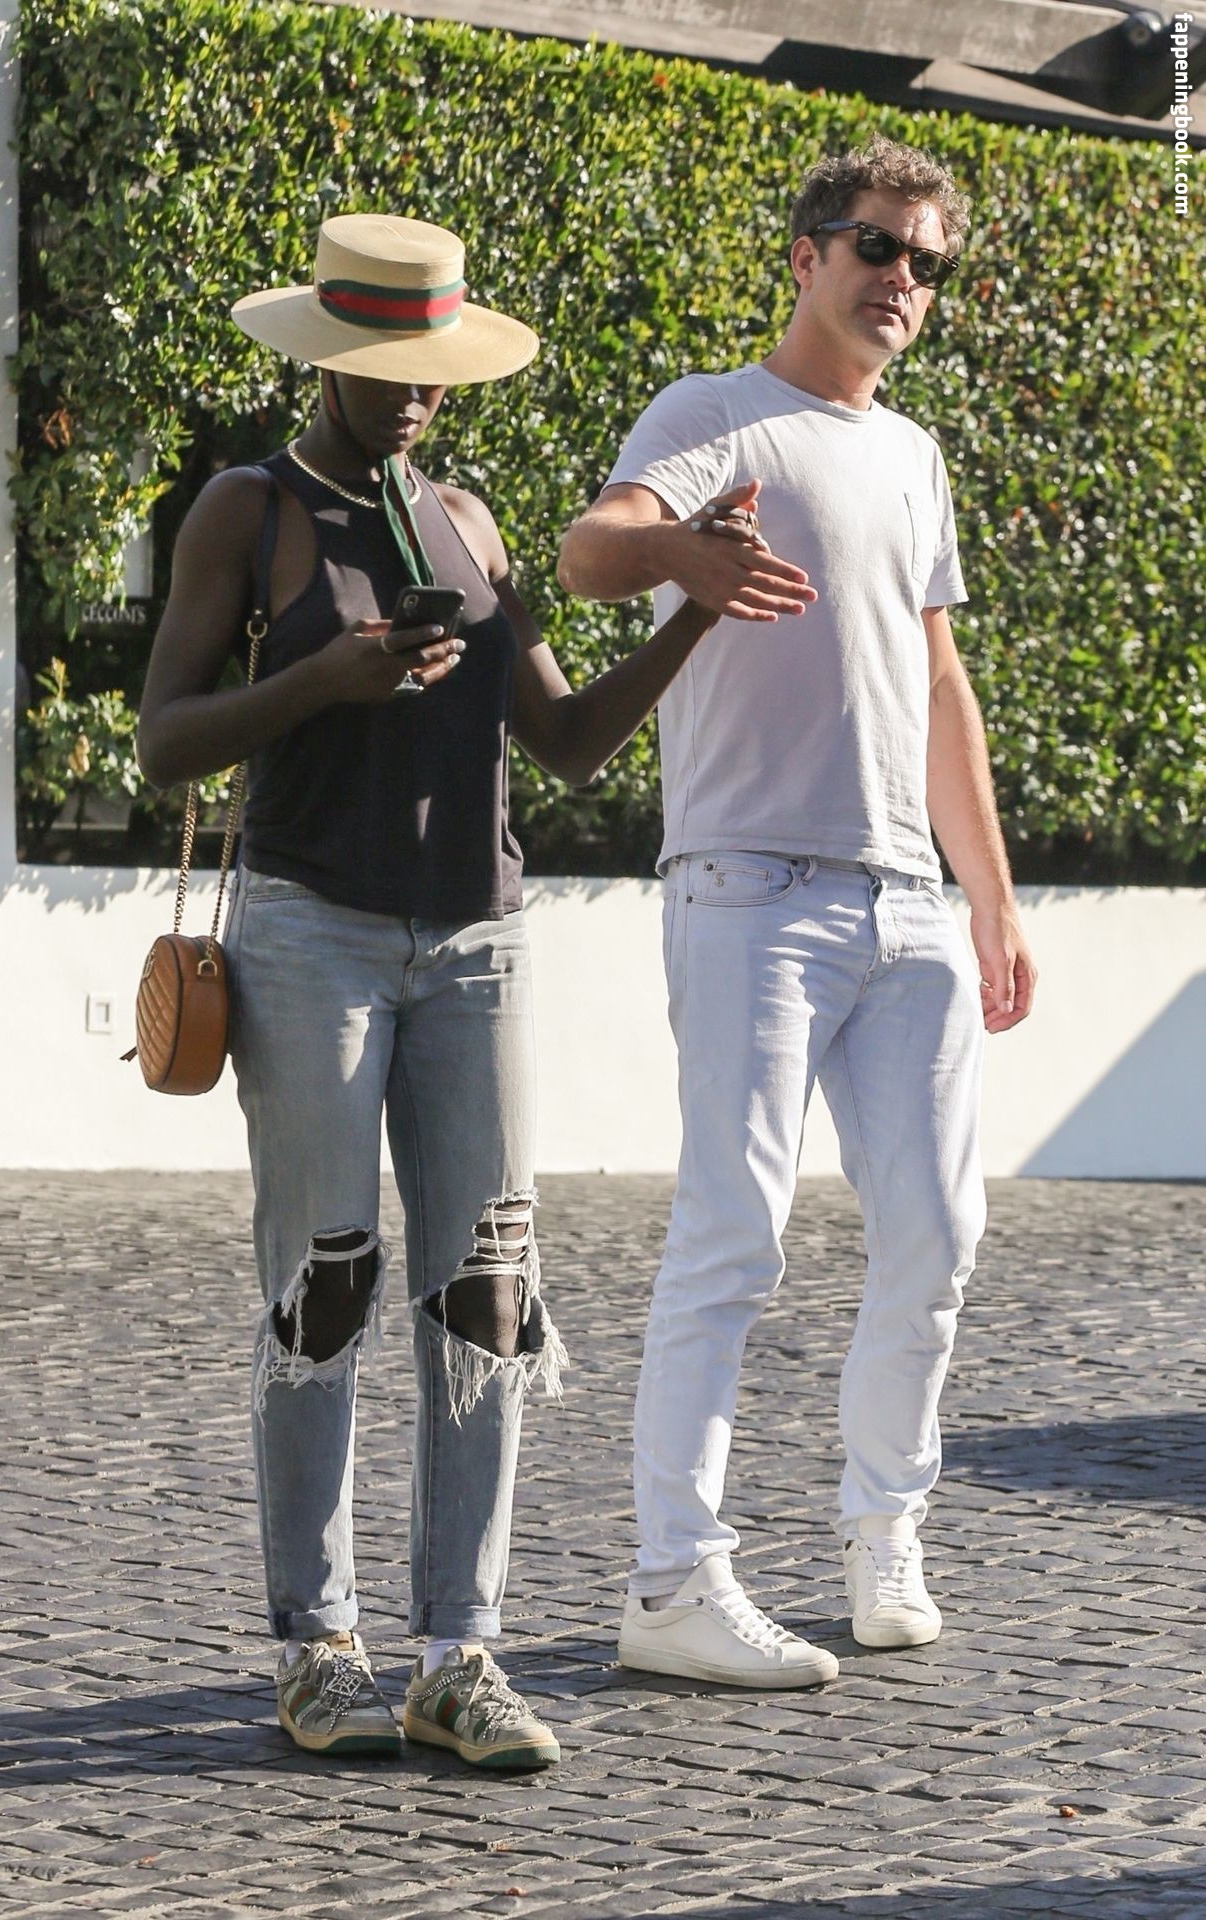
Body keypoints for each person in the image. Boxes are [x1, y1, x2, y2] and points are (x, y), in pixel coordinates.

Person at [136, 212, 726, 1767]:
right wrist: (320, 682)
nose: (413, 398)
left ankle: (460, 1656)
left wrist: (698, 609)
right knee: (322, 1286)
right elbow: (164, 741)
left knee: (488, 1298)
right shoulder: (250, 511)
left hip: (481, 946)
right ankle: (318, 1646)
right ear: (326, 357)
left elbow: (569, 743)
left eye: (432, 372)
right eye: (385, 369)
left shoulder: (465, 519)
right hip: (310, 934)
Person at [557, 135, 1037, 1688]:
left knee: (939, 1235)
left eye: (928, 262)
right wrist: (682, 554)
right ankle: (672, 1582)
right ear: (807, 255)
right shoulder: (711, 414)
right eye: (877, 247)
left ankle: (885, 1529)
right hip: (748, 889)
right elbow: (585, 553)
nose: (903, 280)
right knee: (732, 1234)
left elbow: (941, 684)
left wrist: (990, 897)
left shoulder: (915, 456)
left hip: (909, 905)